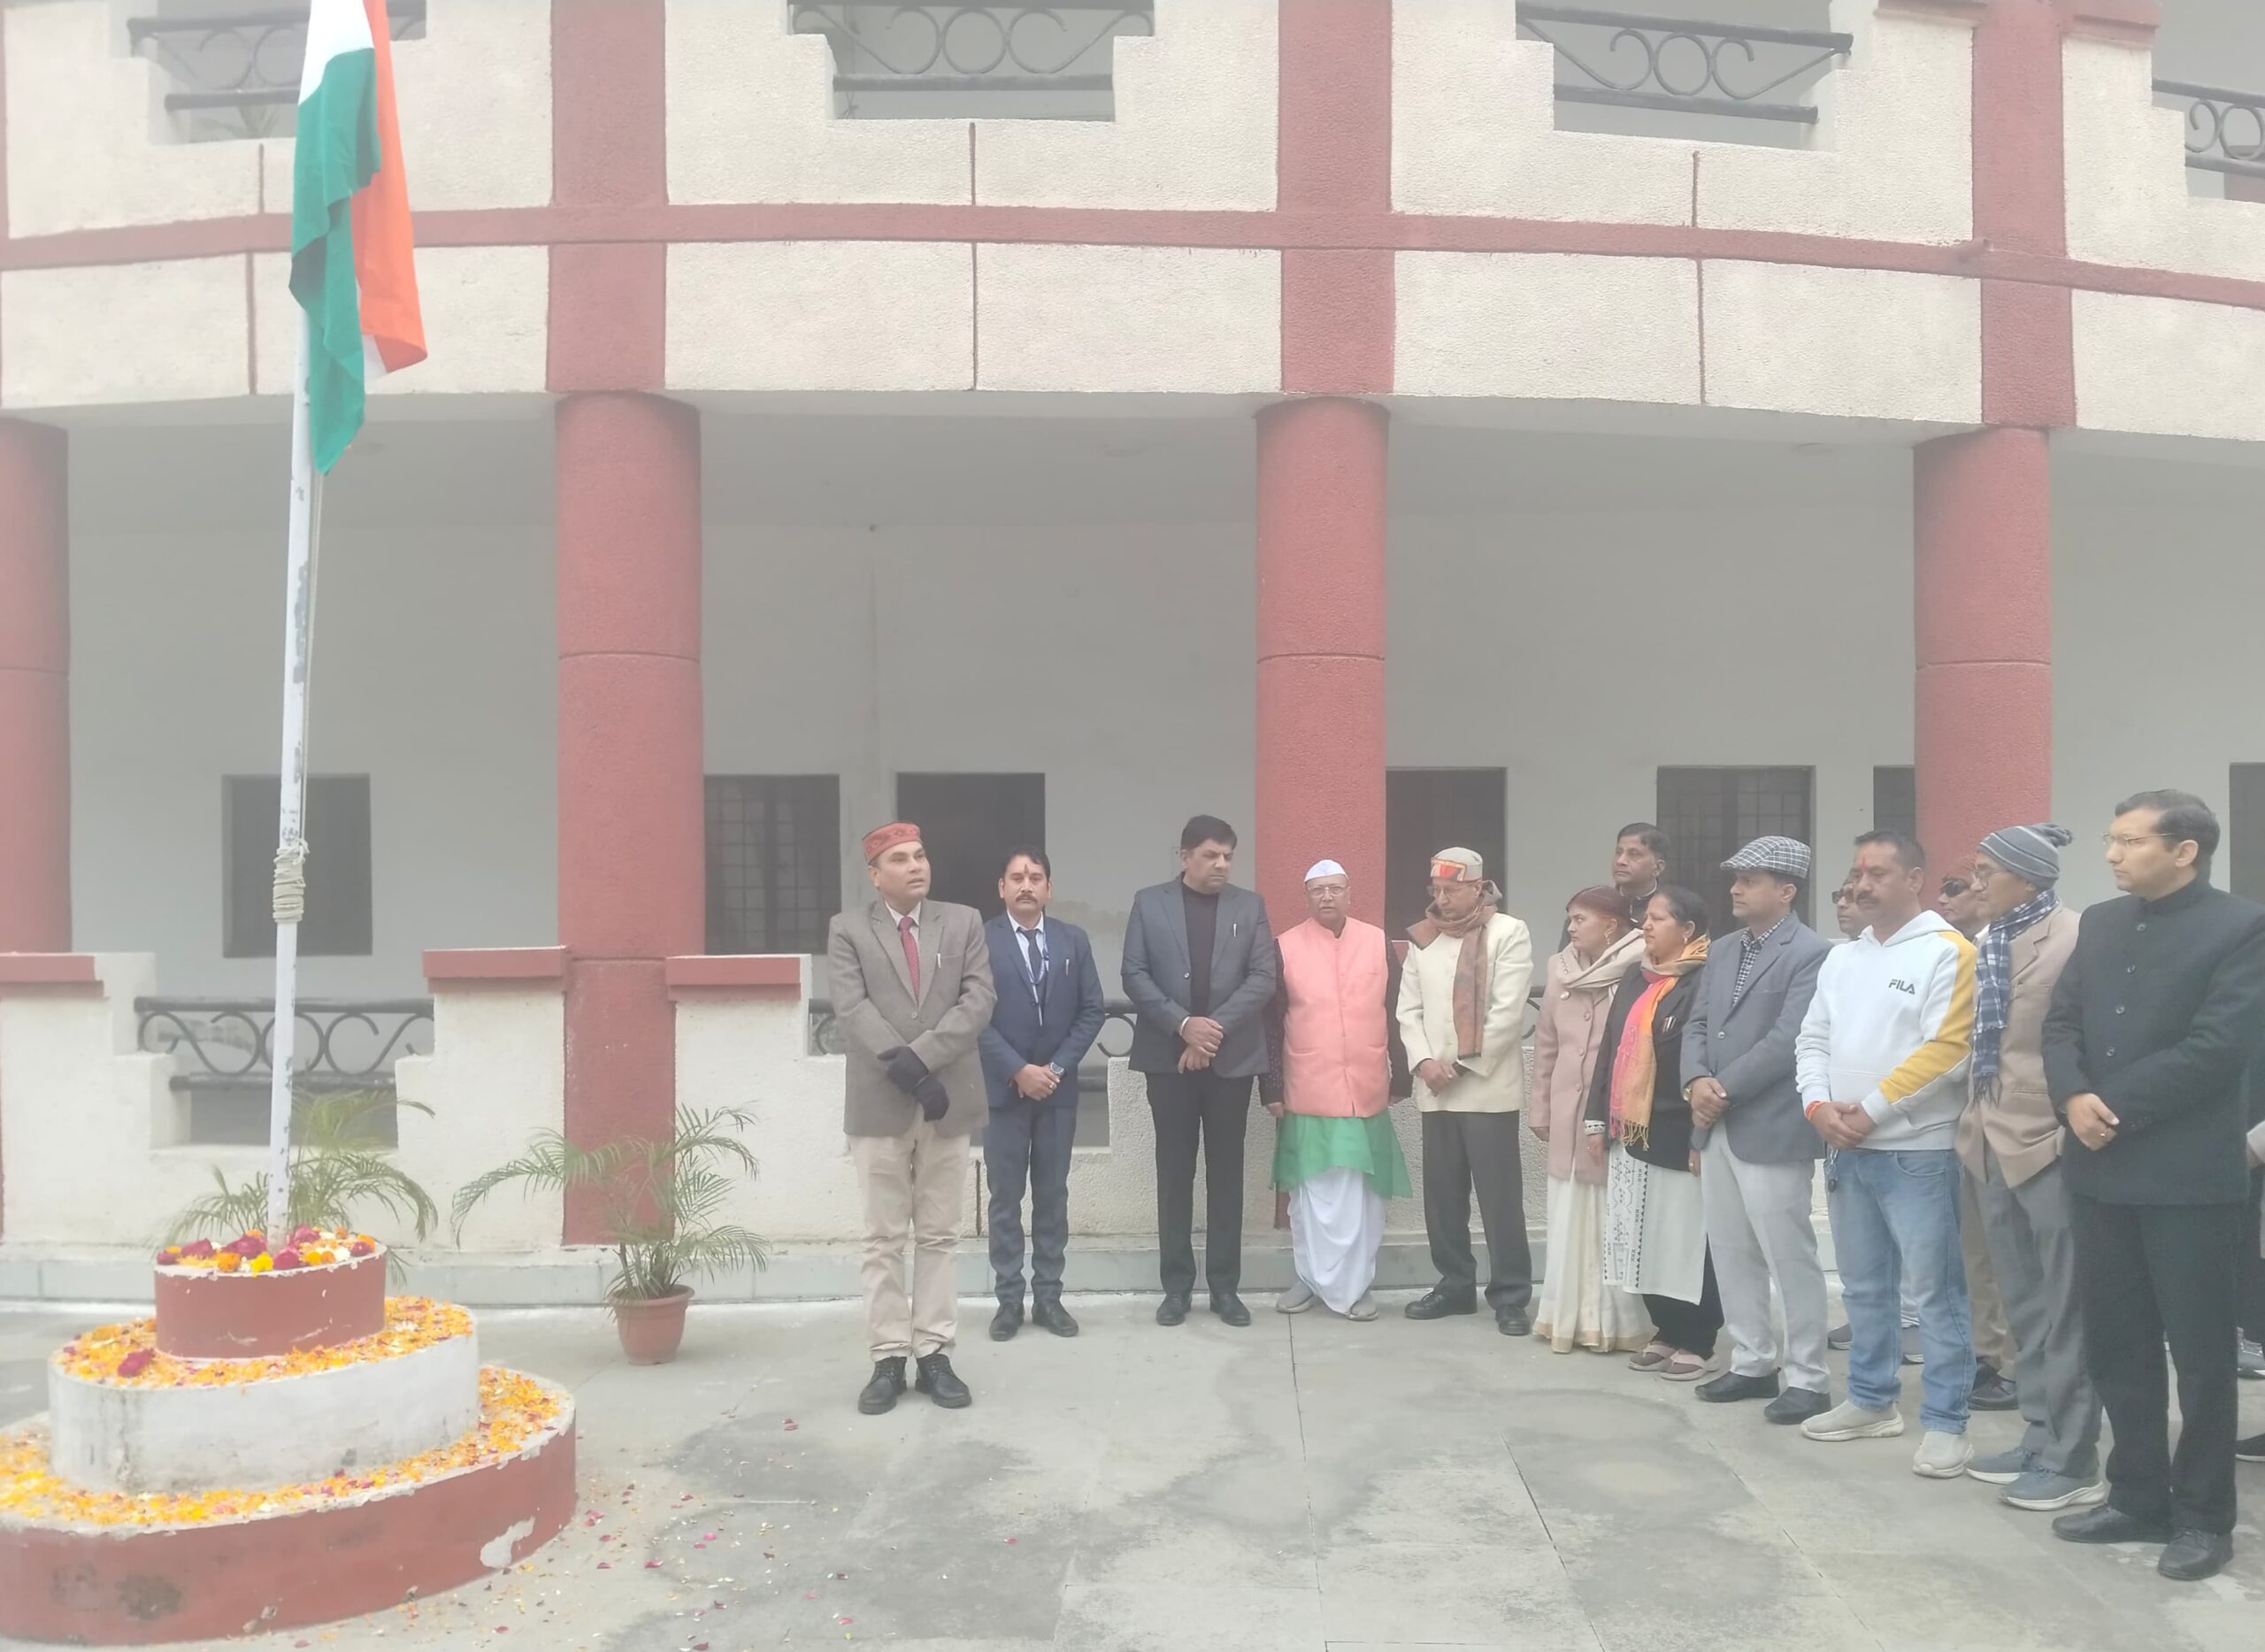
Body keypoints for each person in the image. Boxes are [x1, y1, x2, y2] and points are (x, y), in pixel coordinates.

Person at [2043, 791, 2265, 1582]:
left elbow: (2219, 1046)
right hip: (2099, 1167)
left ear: (2184, 850)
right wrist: (2072, 1095)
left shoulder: (2242, 927)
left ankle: (2204, 1515)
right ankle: (2136, 1494)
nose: (2112, 854)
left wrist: (2112, 1106)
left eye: (2130, 841)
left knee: (2201, 1357)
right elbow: (2061, 1022)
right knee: (2118, 1344)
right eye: (2111, 839)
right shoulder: (2102, 923)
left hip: (2187, 1176)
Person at [1794, 830, 1977, 1479]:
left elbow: (1948, 1050)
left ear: (1915, 879)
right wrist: (1818, 1106)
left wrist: (1869, 1110)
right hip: (1847, 1149)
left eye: (1877, 872)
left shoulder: (1948, 951)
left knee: (1936, 1293)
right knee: (1865, 1286)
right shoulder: (1843, 958)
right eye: (1857, 873)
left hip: (1917, 1152)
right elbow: (1812, 1038)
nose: (1861, 884)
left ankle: (1948, 1422)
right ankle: (1871, 1400)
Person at [1954, 824, 2103, 1511]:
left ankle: (2074, 1455)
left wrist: (2072, 1125)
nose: (1975, 883)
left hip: (2048, 1141)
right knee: (2023, 1305)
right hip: (1988, 1139)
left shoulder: (2075, 937)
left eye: (1987, 871)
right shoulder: (1992, 940)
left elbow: (2088, 1041)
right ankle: (2040, 1432)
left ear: (2028, 877)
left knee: (2066, 1306)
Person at [829, 822, 997, 1415]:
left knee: (939, 1235)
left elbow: (978, 999)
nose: (915, 865)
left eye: (920, 855)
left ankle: (934, 1353)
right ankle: (887, 1357)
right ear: (876, 875)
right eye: (899, 859)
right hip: (879, 1103)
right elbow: (851, 1007)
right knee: (882, 1238)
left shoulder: (964, 922)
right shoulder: (848, 929)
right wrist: (903, 1068)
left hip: (947, 1100)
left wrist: (923, 1059)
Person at [1681, 837, 1833, 1423]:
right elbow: (1698, 1024)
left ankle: (1808, 1377)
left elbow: (1788, 1038)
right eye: (1736, 879)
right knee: (1730, 1247)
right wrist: (1695, 1080)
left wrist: (1720, 1090)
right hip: (1715, 1122)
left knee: (1787, 1253)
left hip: (1769, 1124)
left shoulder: (1812, 953)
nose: (1736, 889)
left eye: (1750, 880)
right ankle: (1751, 1361)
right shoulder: (1722, 950)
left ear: (1786, 890)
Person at [1122, 815, 1278, 1328]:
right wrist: (1184, 1025)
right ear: (1185, 856)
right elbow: (1134, 974)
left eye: (1228, 856)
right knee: (1174, 1173)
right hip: (1168, 1061)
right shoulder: (1150, 903)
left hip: (1231, 1063)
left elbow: (1263, 978)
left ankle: (1225, 1288)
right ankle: (1176, 1288)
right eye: (1211, 855)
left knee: (1227, 1174)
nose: (1222, 865)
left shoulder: (1250, 907)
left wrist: (1210, 1033)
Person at [1261, 861, 1411, 1321]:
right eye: (1317, 890)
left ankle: (1356, 1284)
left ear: (1349, 893)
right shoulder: (1284, 946)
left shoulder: (1377, 942)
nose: (1327, 897)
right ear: (1306, 898)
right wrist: (1271, 1085)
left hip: (1366, 1086)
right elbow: (1270, 1022)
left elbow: (1396, 1011)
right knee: (1312, 1196)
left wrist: (1402, 1074)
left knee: (1362, 1196)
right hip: (1308, 1086)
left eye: (1335, 889)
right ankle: (1309, 1278)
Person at [1399, 847, 1538, 1335]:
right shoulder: (1424, 937)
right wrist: (1423, 1061)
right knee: (1442, 1197)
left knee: (1499, 1198)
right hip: (1435, 1089)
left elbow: (1507, 1012)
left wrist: (1459, 1065)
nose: (1442, 899)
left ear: (1478, 888)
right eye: (1436, 890)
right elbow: (1408, 1010)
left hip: (1486, 1088)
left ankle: (1511, 1295)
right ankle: (1455, 1285)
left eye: (1452, 890)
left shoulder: (1508, 932)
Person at [1585, 886, 1718, 1379]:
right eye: (1647, 916)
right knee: (1643, 1238)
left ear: (1688, 930)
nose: (1645, 925)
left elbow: (1707, 1059)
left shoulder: (1705, 980)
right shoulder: (1634, 978)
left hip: (1679, 1130)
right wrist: (1596, 1120)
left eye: (1658, 919)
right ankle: (1665, 1329)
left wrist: (1701, 1136)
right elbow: (1610, 1049)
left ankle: (1698, 1338)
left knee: (1684, 1240)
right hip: (1632, 1130)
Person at [977, 846, 1106, 1343]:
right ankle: (1009, 1301)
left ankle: (1049, 1297)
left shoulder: (1072, 940)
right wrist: (1017, 1069)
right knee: (1005, 1199)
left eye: (1035, 877)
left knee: (1052, 1198)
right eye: (1017, 877)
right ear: (1002, 888)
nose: (1026, 885)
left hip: (1056, 1090)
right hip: (1003, 1092)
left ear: (1050, 888)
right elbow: (973, 1015)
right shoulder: (980, 941)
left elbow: (1091, 1011)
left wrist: (1053, 1069)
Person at [1531, 887, 1650, 1355]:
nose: (1572, 927)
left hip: (1613, 1117)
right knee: (1568, 1215)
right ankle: (1566, 1317)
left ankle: (1616, 1322)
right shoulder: (1559, 969)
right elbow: (1546, 1045)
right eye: (1570, 918)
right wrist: (1541, 1107)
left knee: (1609, 1218)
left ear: (1612, 926)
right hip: (1567, 1113)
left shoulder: (1639, 969)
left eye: (1581, 919)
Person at [1614, 823, 1670, 914]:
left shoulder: (1671, 910)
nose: (1620, 861)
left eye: (1634, 854)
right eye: (1618, 852)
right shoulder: (1597, 904)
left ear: (1658, 868)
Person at [1938, 869, 1986, 941]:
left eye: (1953, 888)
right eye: (1942, 892)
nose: (1941, 899)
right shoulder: (1939, 940)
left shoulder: (2000, 938)